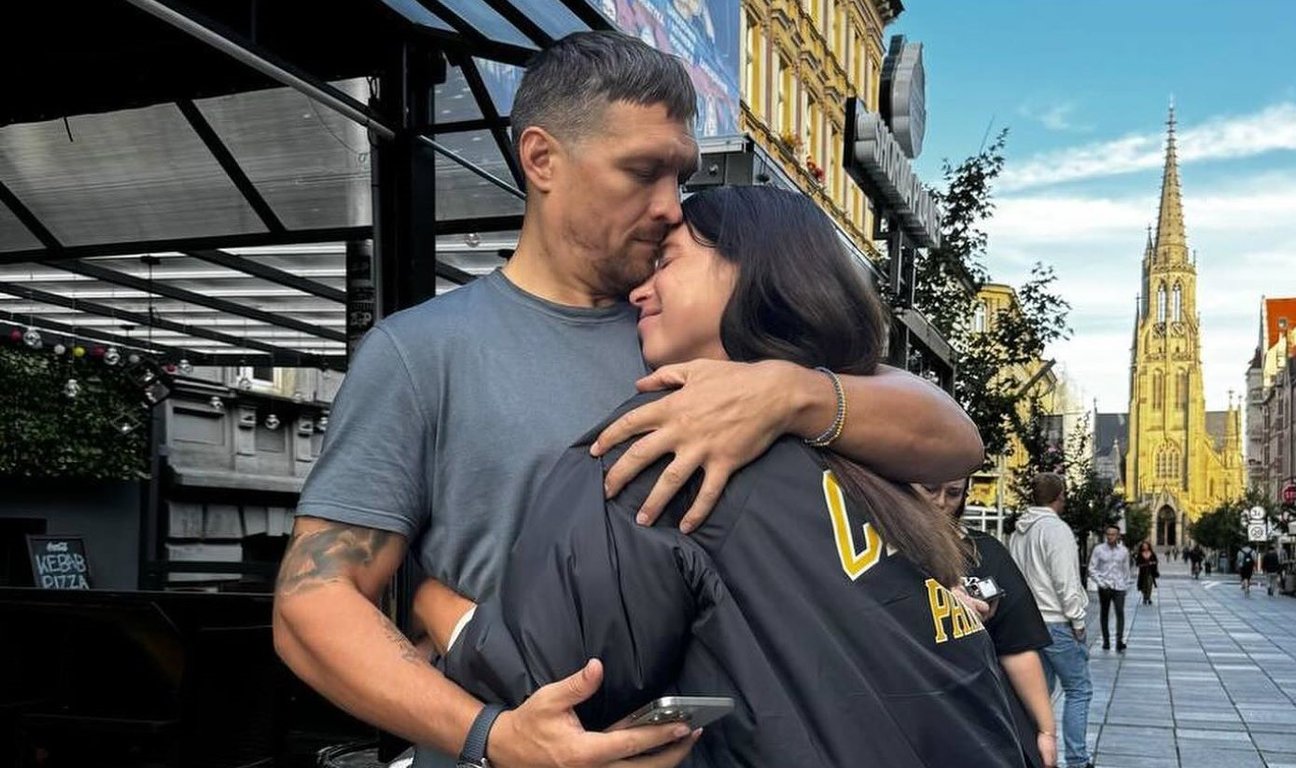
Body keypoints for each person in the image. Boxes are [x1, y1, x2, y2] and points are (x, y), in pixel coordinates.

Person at [271, 31, 984, 768]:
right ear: (542, 160)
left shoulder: (701, 325)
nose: (672, 207)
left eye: (681, 175)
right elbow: (313, 602)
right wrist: (491, 734)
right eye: (643, 172)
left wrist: (792, 393)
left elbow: (955, 442)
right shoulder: (423, 353)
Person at [423, 186, 1029, 766]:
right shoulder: (872, 456)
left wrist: (425, 598)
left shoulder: (670, 447)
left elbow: (543, 683)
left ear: (751, 271)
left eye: (666, 261)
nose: (640, 289)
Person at [917, 478, 1057, 768]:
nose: (941, 502)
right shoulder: (876, 553)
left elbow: (1017, 647)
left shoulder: (986, 552)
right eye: (930, 488)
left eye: (953, 493)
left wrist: (1046, 731)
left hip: (977, 720)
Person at [1009, 473, 1093, 768]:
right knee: (1079, 690)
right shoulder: (1056, 530)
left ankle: (1033, 756)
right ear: (1059, 497)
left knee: (1038, 696)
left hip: (1028, 622)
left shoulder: (1019, 532)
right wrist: (1078, 622)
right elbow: (1065, 581)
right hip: (1057, 622)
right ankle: (1078, 760)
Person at [1088, 525, 1130, 651]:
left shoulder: (1124, 551)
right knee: (1104, 613)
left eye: (1113, 534)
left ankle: (1119, 641)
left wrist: (1125, 585)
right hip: (1105, 586)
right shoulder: (1099, 549)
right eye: (1108, 534)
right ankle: (1106, 641)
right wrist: (1101, 583)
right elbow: (1092, 568)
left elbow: (1126, 570)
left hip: (1119, 586)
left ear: (1118, 536)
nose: (1110, 536)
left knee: (1120, 612)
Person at [1135, 540, 1160, 605]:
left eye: (1146, 546)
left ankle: (1148, 598)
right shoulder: (1140, 554)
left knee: (1149, 584)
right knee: (1143, 586)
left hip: (1150, 572)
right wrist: (1142, 565)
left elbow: (1156, 561)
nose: (1145, 547)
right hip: (1143, 572)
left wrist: (1152, 563)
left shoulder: (1152, 554)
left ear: (1148, 546)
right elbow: (1137, 563)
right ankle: (1144, 597)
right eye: (1144, 546)